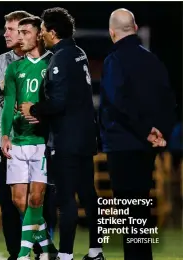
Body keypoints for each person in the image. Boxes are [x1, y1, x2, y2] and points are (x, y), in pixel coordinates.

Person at [20, 7, 104, 260]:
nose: (41, 34)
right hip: (86, 136)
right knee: (89, 194)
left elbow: (59, 102)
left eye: (43, 29)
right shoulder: (79, 53)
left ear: (53, 32)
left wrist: (32, 108)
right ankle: (95, 251)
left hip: (67, 139)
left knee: (66, 198)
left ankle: (66, 255)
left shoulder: (61, 58)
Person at [98, 8, 176, 260]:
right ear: (134, 27)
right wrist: (160, 131)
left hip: (123, 143)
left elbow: (118, 102)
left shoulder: (114, 61)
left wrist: (145, 131)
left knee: (129, 211)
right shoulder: (153, 60)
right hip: (146, 146)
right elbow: (169, 100)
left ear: (112, 32)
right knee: (140, 209)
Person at [0, 10, 57, 260]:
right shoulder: (10, 66)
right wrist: (6, 135)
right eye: (14, 32)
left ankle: (25, 252)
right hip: (16, 140)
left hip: (42, 141)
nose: (17, 37)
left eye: (23, 32)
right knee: (17, 201)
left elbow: (58, 100)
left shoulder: (52, 62)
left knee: (38, 198)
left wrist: (41, 113)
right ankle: (47, 247)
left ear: (38, 36)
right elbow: (5, 101)